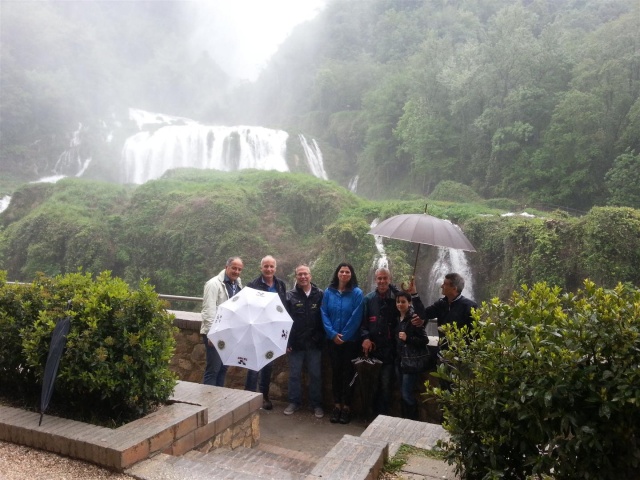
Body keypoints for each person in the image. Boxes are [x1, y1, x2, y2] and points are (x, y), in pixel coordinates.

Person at [360, 268, 425, 417]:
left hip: (391, 352)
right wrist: (365, 338)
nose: (382, 281)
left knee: (385, 386)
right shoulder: (368, 299)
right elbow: (363, 324)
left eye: (385, 278)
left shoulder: (397, 298)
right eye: (379, 278)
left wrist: (413, 294)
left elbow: (415, 313)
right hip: (372, 350)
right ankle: (371, 416)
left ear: (390, 279)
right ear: (375, 280)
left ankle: (382, 417)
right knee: (372, 385)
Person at [321, 262, 364, 425]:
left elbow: (357, 316)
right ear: (337, 274)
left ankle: (346, 407)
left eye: (347, 272)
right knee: (336, 373)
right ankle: (336, 406)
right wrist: (332, 334)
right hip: (332, 341)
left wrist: (344, 336)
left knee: (349, 374)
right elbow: (324, 313)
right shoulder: (329, 292)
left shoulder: (357, 293)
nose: (344, 274)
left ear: (351, 274)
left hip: (350, 342)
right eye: (342, 271)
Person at [245, 255, 288, 410]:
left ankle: (264, 397)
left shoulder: (281, 285)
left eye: (271, 266)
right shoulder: (253, 285)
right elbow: (246, 307)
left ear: (275, 268)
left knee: (268, 366)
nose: (269, 269)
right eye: (266, 266)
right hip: (256, 331)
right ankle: (248, 399)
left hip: (272, 333)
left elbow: (284, 308)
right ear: (261, 267)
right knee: (253, 366)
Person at [283, 264, 325, 418]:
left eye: (305, 274)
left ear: (310, 276)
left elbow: (324, 319)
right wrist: (287, 342)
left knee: (315, 375)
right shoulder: (290, 296)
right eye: (300, 274)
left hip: (315, 343)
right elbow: (285, 321)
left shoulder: (319, 294)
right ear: (296, 277)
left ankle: (316, 404)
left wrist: (319, 337)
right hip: (296, 344)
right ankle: (294, 402)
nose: (303, 277)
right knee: (294, 374)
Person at [201, 257, 244, 387]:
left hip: (229, 332)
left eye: (239, 269)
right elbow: (208, 311)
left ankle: (218, 399)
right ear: (227, 267)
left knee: (223, 369)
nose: (236, 271)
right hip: (216, 333)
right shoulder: (213, 284)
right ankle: (208, 402)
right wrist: (211, 334)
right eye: (234, 268)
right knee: (213, 369)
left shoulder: (237, 284)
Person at [395, 290, 428, 420]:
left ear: (409, 303)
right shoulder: (398, 317)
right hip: (400, 361)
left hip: (411, 363)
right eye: (398, 302)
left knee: (406, 394)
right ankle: (405, 420)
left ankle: (413, 421)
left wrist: (408, 338)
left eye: (403, 302)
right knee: (403, 394)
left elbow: (424, 340)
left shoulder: (414, 318)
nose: (400, 304)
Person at [423, 272, 477, 348]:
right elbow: (423, 313)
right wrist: (414, 294)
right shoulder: (441, 303)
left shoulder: (470, 306)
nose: (441, 286)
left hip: (461, 355)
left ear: (454, 288)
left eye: (445, 284)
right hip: (442, 352)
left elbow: (475, 334)